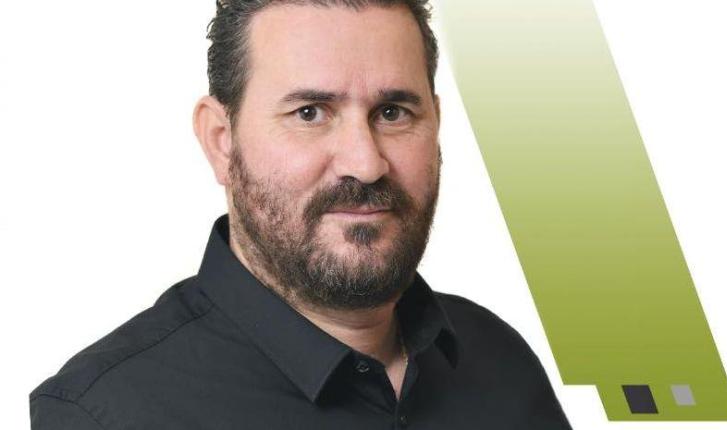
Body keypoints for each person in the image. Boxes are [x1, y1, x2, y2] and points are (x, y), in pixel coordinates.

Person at [29, 1, 572, 428]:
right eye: (310, 113)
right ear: (221, 141)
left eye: (392, 112)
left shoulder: (499, 359)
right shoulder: (103, 414)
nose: (365, 163)